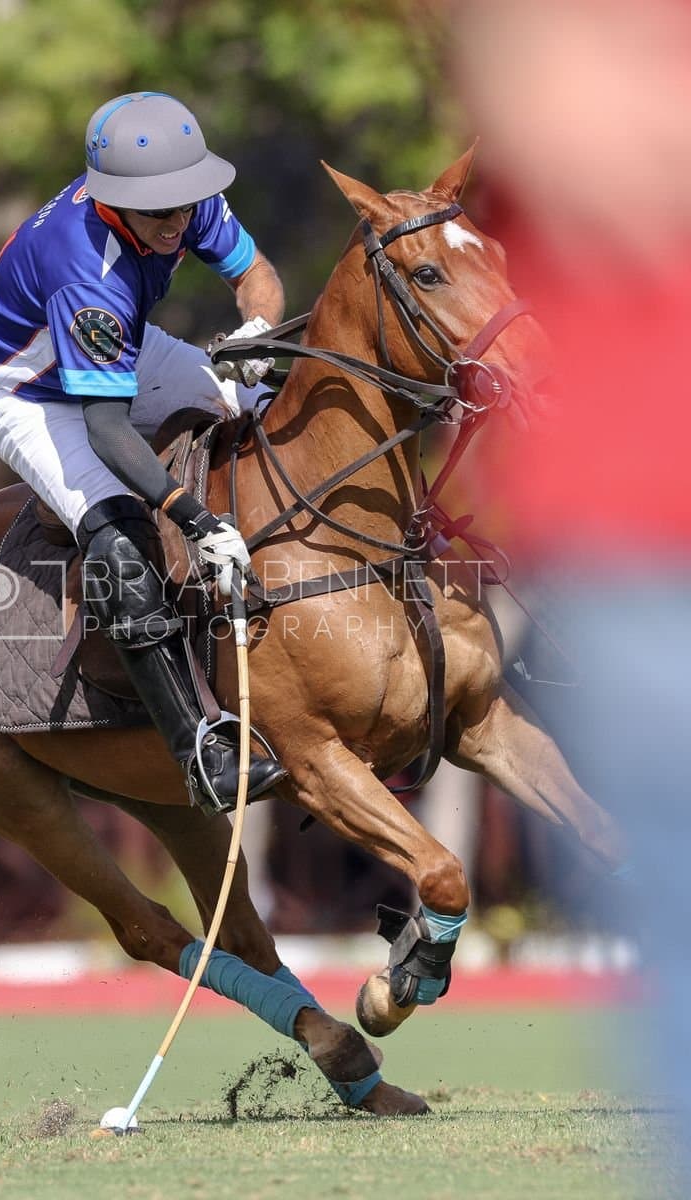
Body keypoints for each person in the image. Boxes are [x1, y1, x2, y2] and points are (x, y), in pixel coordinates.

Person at [452, 0, 691, 1184]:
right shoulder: (70, 248)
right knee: (129, 514)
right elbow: (572, 123)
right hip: (654, 539)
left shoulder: (201, 225)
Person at [0, 91, 288, 813]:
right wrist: (199, 520)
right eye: (159, 214)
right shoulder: (86, 269)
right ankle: (199, 750)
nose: (178, 223)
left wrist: (254, 335)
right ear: (114, 204)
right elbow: (107, 430)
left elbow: (254, 272)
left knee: (268, 410)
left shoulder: (177, 193)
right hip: (25, 391)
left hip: (115, 353)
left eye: (185, 207)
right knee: (115, 533)